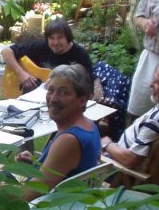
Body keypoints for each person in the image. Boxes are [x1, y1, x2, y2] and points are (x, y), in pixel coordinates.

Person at [17, 64, 101, 201]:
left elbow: (29, 195)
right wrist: (35, 163)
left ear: (82, 100)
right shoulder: (90, 125)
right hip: (67, 200)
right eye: (51, 90)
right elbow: (65, 168)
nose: (53, 99)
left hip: (49, 208)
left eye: (63, 93)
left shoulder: (69, 140)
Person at [1, 18, 93, 93]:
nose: (55, 42)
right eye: (52, 38)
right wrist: (21, 74)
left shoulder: (80, 56)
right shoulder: (42, 46)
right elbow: (6, 51)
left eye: (60, 38)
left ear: (68, 38)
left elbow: (87, 88)